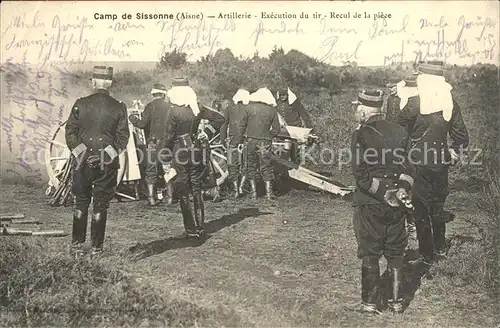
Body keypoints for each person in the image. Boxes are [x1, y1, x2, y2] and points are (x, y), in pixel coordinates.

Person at [396, 61, 469, 269]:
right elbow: (462, 137)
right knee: (437, 207)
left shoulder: (415, 102)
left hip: (417, 164)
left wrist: (403, 153)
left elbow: (398, 130)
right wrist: (452, 154)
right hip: (440, 164)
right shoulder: (450, 103)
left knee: (420, 210)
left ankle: (427, 255)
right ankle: (441, 250)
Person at [350, 89, 415, 314]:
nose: (356, 111)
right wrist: (401, 191)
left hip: (370, 202)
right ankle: (397, 304)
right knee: (396, 251)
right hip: (397, 202)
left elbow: (361, 174)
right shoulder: (400, 131)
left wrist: (381, 193)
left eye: (357, 107)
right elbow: (409, 168)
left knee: (370, 252)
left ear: (365, 110)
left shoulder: (359, 134)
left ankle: (370, 304)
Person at [65, 66, 130, 257]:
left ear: (94, 82)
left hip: (81, 163)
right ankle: (96, 249)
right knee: (101, 204)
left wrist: (82, 154)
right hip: (106, 165)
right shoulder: (119, 106)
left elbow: (70, 132)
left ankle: (77, 247)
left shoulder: (80, 104)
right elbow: (122, 139)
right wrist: (103, 157)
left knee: (81, 202)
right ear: (109, 84)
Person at [160, 77, 225, 239]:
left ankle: (190, 229)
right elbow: (220, 119)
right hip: (196, 152)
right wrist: (207, 132)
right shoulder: (197, 107)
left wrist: (165, 160)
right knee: (196, 190)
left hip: (179, 154)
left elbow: (168, 138)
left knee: (183, 191)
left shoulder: (173, 111)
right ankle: (200, 227)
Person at [386, 77, 420, 239]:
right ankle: (406, 222)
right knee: (402, 182)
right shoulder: (395, 98)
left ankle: (411, 221)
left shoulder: (414, 99)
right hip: (403, 147)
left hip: (411, 147)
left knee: (408, 183)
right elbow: (389, 121)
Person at [129, 83, 172, 206]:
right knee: (167, 169)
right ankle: (169, 197)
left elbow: (142, 124)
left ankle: (151, 198)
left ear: (153, 94)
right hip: (167, 143)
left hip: (153, 143)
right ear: (164, 95)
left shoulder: (149, 107)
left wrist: (132, 118)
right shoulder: (170, 107)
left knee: (151, 170)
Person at [237, 87, 281, 200]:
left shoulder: (248, 108)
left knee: (250, 165)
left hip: (250, 140)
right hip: (265, 142)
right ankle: (269, 193)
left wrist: (240, 140)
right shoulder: (272, 110)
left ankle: (254, 193)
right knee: (266, 166)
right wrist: (268, 136)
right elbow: (276, 129)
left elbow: (242, 126)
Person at [220, 88, 250, 199]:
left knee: (232, 164)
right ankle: (242, 187)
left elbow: (224, 125)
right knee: (246, 163)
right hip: (246, 139)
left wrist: (222, 139)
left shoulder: (229, 109)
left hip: (232, 139)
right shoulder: (249, 109)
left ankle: (236, 189)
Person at [276, 87, 314, 163]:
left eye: (284, 95)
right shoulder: (277, 103)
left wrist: (310, 128)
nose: (282, 97)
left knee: (294, 151)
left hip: (295, 128)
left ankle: (295, 164)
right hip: (283, 130)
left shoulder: (294, 102)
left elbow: (304, 114)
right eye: (280, 95)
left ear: (288, 95)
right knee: (283, 150)